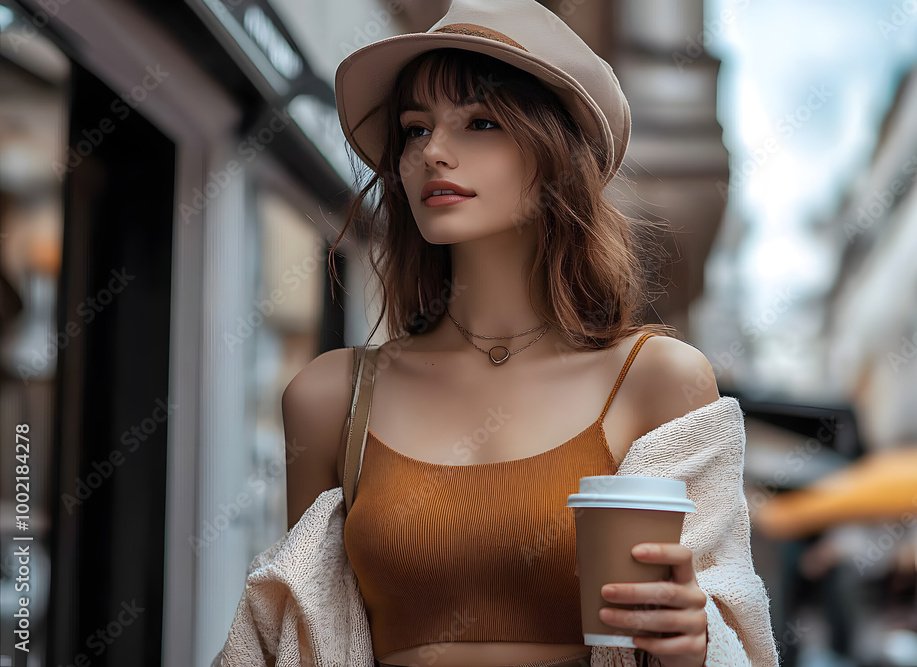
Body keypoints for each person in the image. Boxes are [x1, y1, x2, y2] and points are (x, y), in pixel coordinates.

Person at [217, 1, 780, 666]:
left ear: (555, 157)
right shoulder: (329, 395)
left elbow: (727, 624)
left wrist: (696, 642)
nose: (433, 151)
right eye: (414, 129)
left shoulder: (659, 381)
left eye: (479, 122)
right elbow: (305, 641)